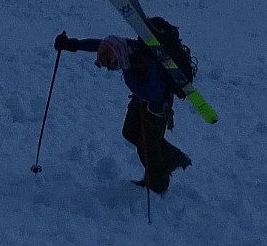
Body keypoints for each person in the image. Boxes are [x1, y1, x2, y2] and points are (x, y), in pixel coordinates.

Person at [54, 24, 194, 193]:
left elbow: (156, 94)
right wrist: (73, 44)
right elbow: (99, 44)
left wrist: (140, 76)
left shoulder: (144, 63)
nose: (106, 65)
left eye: (108, 61)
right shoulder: (126, 48)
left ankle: (158, 183)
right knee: (129, 132)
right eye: (103, 61)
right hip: (140, 101)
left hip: (156, 109)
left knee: (146, 148)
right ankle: (172, 157)